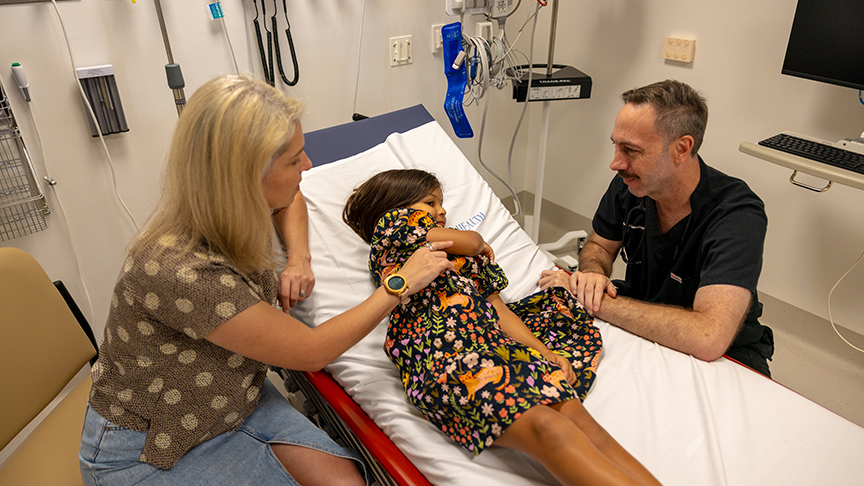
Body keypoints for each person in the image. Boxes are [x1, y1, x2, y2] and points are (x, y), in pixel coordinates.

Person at [79, 75, 453, 486]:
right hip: (154, 444)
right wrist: (397, 284)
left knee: (347, 481)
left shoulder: (232, 208)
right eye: (294, 160)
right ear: (245, 175)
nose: (307, 166)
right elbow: (311, 353)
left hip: (236, 398)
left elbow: (290, 204)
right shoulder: (182, 272)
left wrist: (298, 258)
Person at [343, 169, 661, 486]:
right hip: (447, 363)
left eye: (442, 203)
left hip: (501, 352)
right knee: (549, 429)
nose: (441, 211)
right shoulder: (392, 234)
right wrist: (477, 243)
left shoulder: (467, 260)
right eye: (430, 202)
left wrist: (545, 353)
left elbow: (499, 310)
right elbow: (469, 239)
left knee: (581, 422)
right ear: (395, 210)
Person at [541, 79, 773, 376]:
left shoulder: (736, 214)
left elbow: (708, 337)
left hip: (728, 352)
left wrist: (592, 300)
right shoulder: (631, 185)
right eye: (615, 145)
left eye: (632, 150)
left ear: (681, 148)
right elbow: (599, 246)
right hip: (643, 313)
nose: (615, 163)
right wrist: (592, 275)